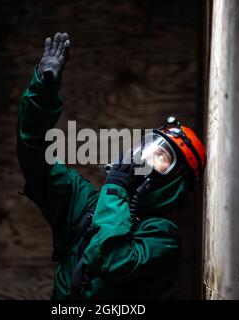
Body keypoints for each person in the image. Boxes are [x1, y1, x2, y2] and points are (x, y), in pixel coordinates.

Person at [17, 32, 206, 300]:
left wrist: (116, 188)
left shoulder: (163, 239)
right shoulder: (86, 205)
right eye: (149, 146)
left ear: (175, 182)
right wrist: (42, 94)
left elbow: (110, 258)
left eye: (163, 157)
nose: (147, 157)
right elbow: (34, 155)